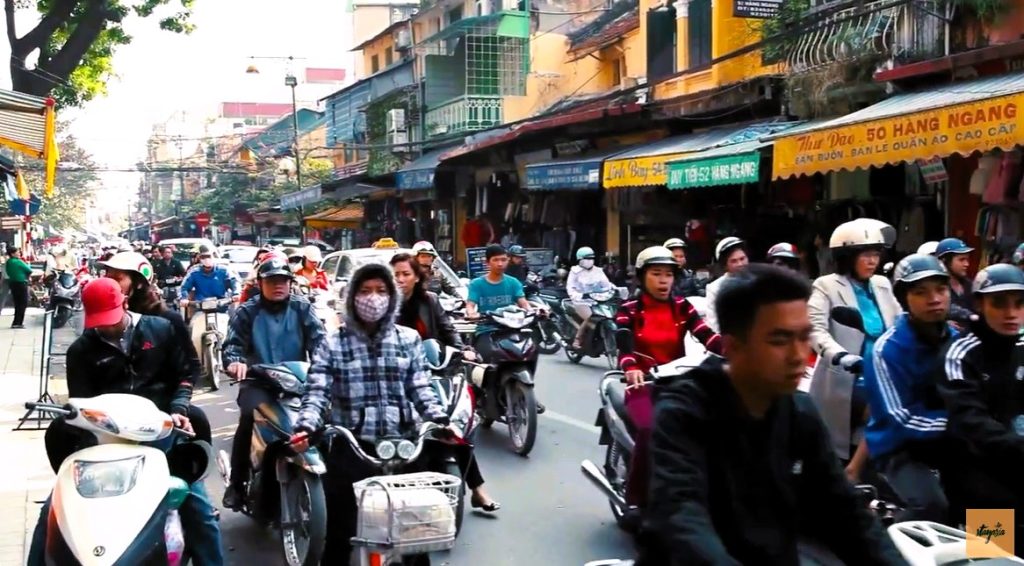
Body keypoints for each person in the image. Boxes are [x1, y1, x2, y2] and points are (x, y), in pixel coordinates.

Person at [644, 264, 905, 566]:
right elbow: (681, 514)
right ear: (733, 346)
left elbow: (843, 510)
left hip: (968, 496)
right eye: (780, 340)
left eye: (803, 337)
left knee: (967, 523)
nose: (798, 355)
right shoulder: (685, 411)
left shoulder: (800, 410)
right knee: (930, 502)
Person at [27, 278, 223, 566]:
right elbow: (83, 403)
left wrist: (178, 408)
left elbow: (184, 375)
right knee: (53, 511)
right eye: (100, 322)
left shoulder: (161, 330)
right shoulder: (81, 350)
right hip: (107, 445)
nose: (106, 327)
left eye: (111, 318)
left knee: (198, 507)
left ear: (125, 303)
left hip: (161, 433)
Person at [289, 262, 450, 563]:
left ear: (392, 297)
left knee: (414, 537)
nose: (373, 298)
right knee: (340, 534)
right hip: (352, 450)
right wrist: (306, 427)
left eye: (380, 290)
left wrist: (440, 419)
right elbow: (317, 392)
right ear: (351, 298)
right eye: (364, 291)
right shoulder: (333, 343)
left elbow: (421, 388)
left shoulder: (408, 339)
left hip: (405, 447)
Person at [615, 246, 722, 526]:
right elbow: (624, 346)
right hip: (642, 385)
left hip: (678, 382)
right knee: (651, 430)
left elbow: (707, 337)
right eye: (656, 274)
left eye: (668, 275)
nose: (664, 281)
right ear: (642, 277)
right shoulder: (629, 309)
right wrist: (631, 367)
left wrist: (740, 351)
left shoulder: (683, 307)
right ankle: (635, 499)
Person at [390, 253, 500, 512]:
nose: (401, 279)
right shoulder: (384, 304)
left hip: (435, 372)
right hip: (398, 378)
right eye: (396, 274)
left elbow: (447, 329)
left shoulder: (431, 301)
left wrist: (463, 350)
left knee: (455, 430)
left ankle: (477, 489)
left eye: (406, 274)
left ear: (417, 276)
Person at [220, 254, 326, 509]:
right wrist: (236, 362)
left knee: (328, 420)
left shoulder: (302, 308)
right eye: (271, 281)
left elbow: (320, 341)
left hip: (299, 382)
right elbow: (232, 345)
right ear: (260, 283)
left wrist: (326, 364)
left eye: (283, 280)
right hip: (259, 383)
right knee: (248, 416)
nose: (278, 285)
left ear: (290, 282)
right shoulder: (247, 311)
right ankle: (237, 485)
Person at [862, 253, 956, 523]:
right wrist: (959, 425)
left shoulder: (959, 340)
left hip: (951, 439)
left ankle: (990, 558)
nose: (935, 298)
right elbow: (900, 418)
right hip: (900, 447)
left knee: (987, 494)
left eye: (941, 289)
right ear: (905, 299)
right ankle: (888, 550)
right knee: (932, 506)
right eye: (921, 292)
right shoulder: (886, 350)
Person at [808, 218, 901, 481]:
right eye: (865, 254)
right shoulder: (826, 285)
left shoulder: (882, 285)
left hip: (884, 376)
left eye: (876, 254)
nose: (873, 261)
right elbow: (815, 328)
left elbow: (900, 322)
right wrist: (839, 355)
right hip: (848, 378)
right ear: (847, 256)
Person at [937, 264, 1024, 538]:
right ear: (980, 304)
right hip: (978, 476)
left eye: (1019, 304)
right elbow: (969, 421)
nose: (1011, 313)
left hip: (1017, 465)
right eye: (999, 303)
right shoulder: (960, 353)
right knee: (991, 556)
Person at [98, 251, 206, 438]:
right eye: (107, 277)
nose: (110, 284)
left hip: (160, 409)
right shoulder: (99, 320)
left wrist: (178, 407)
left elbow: (190, 368)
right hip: (111, 413)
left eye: (118, 278)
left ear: (139, 283)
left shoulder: (167, 321)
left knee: (198, 422)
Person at [466, 244, 545, 413]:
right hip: (487, 330)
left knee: (532, 350)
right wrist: (472, 313)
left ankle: (527, 387)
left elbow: (523, 303)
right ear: (488, 262)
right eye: (496, 260)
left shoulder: (513, 282)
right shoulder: (477, 284)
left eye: (503, 259)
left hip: (512, 328)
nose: (500, 263)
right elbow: (470, 305)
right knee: (486, 360)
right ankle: (484, 395)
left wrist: (535, 311)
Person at [179, 246, 238, 356]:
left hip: (222, 307)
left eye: (209, 256)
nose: (206, 259)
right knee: (192, 330)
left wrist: (236, 294)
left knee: (233, 330)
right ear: (200, 258)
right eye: (203, 257)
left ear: (213, 256)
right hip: (201, 309)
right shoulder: (194, 272)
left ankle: (230, 356)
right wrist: (184, 298)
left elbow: (235, 282)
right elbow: (184, 287)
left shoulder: (224, 270)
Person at [565, 246, 614, 349]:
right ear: (580, 259)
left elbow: (606, 285)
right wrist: (580, 295)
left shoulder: (598, 271)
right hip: (581, 301)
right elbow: (570, 288)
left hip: (597, 300)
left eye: (591, 258)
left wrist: (613, 289)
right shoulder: (574, 271)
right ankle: (577, 339)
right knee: (591, 317)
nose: (589, 261)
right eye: (587, 258)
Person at [703, 236, 748, 333]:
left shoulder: (759, 281)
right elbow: (713, 324)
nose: (740, 264)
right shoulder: (714, 289)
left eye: (742, 258)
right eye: (734, 261)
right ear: (725, 265)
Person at [934, 237, 975, 315]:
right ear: (945, 261)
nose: (967, 264)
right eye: (961, 260)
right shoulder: (936, 288)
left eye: (967, 260)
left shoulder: (970, 285)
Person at [5, 247, 32, 328]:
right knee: (23, 303)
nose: (19, 253)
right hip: (21, 283)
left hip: (12, 283)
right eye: (17, 252)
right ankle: (18, 323)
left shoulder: (8, 262)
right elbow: (29, 270)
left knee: (17, 303)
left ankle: (16, 322)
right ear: (12, 254)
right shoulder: (18, 262)